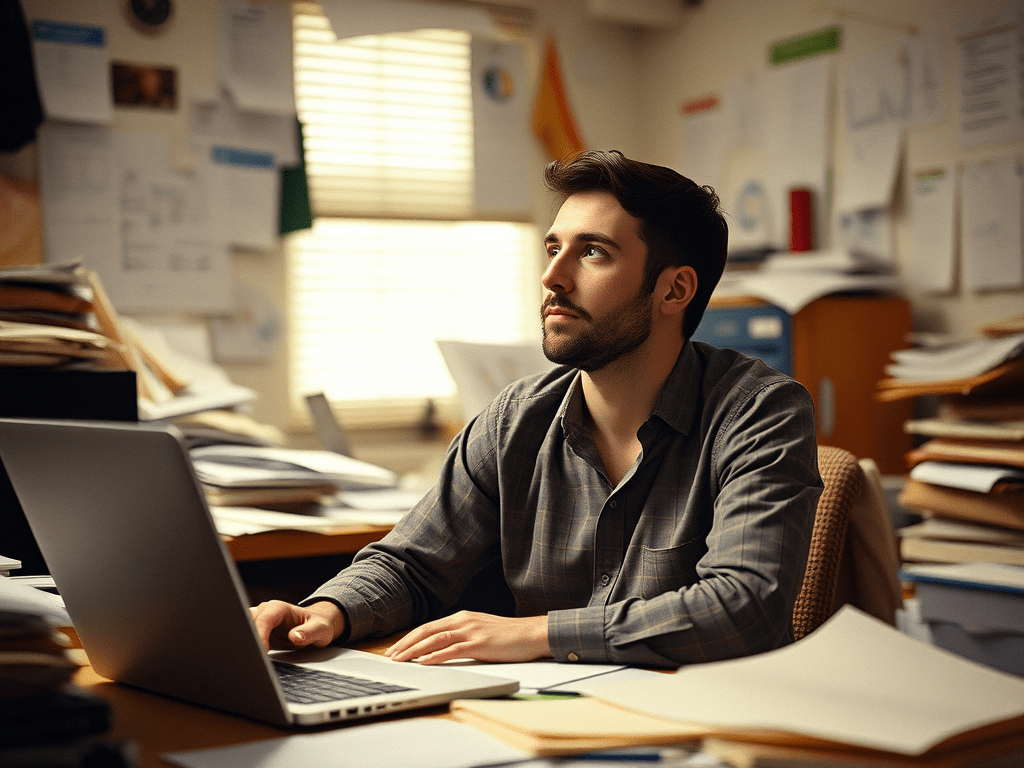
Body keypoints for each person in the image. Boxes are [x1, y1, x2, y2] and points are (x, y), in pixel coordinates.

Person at [252, 150, 822, 668]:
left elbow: (745, 605)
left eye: (593, 252)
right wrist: (329, 611)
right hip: (550, 715)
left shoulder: (760, 412)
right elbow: (411, 564)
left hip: (709, 727)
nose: (553, 277)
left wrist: (535, 635)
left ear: (674, 291)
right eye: (554, 249)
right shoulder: (515, 420)